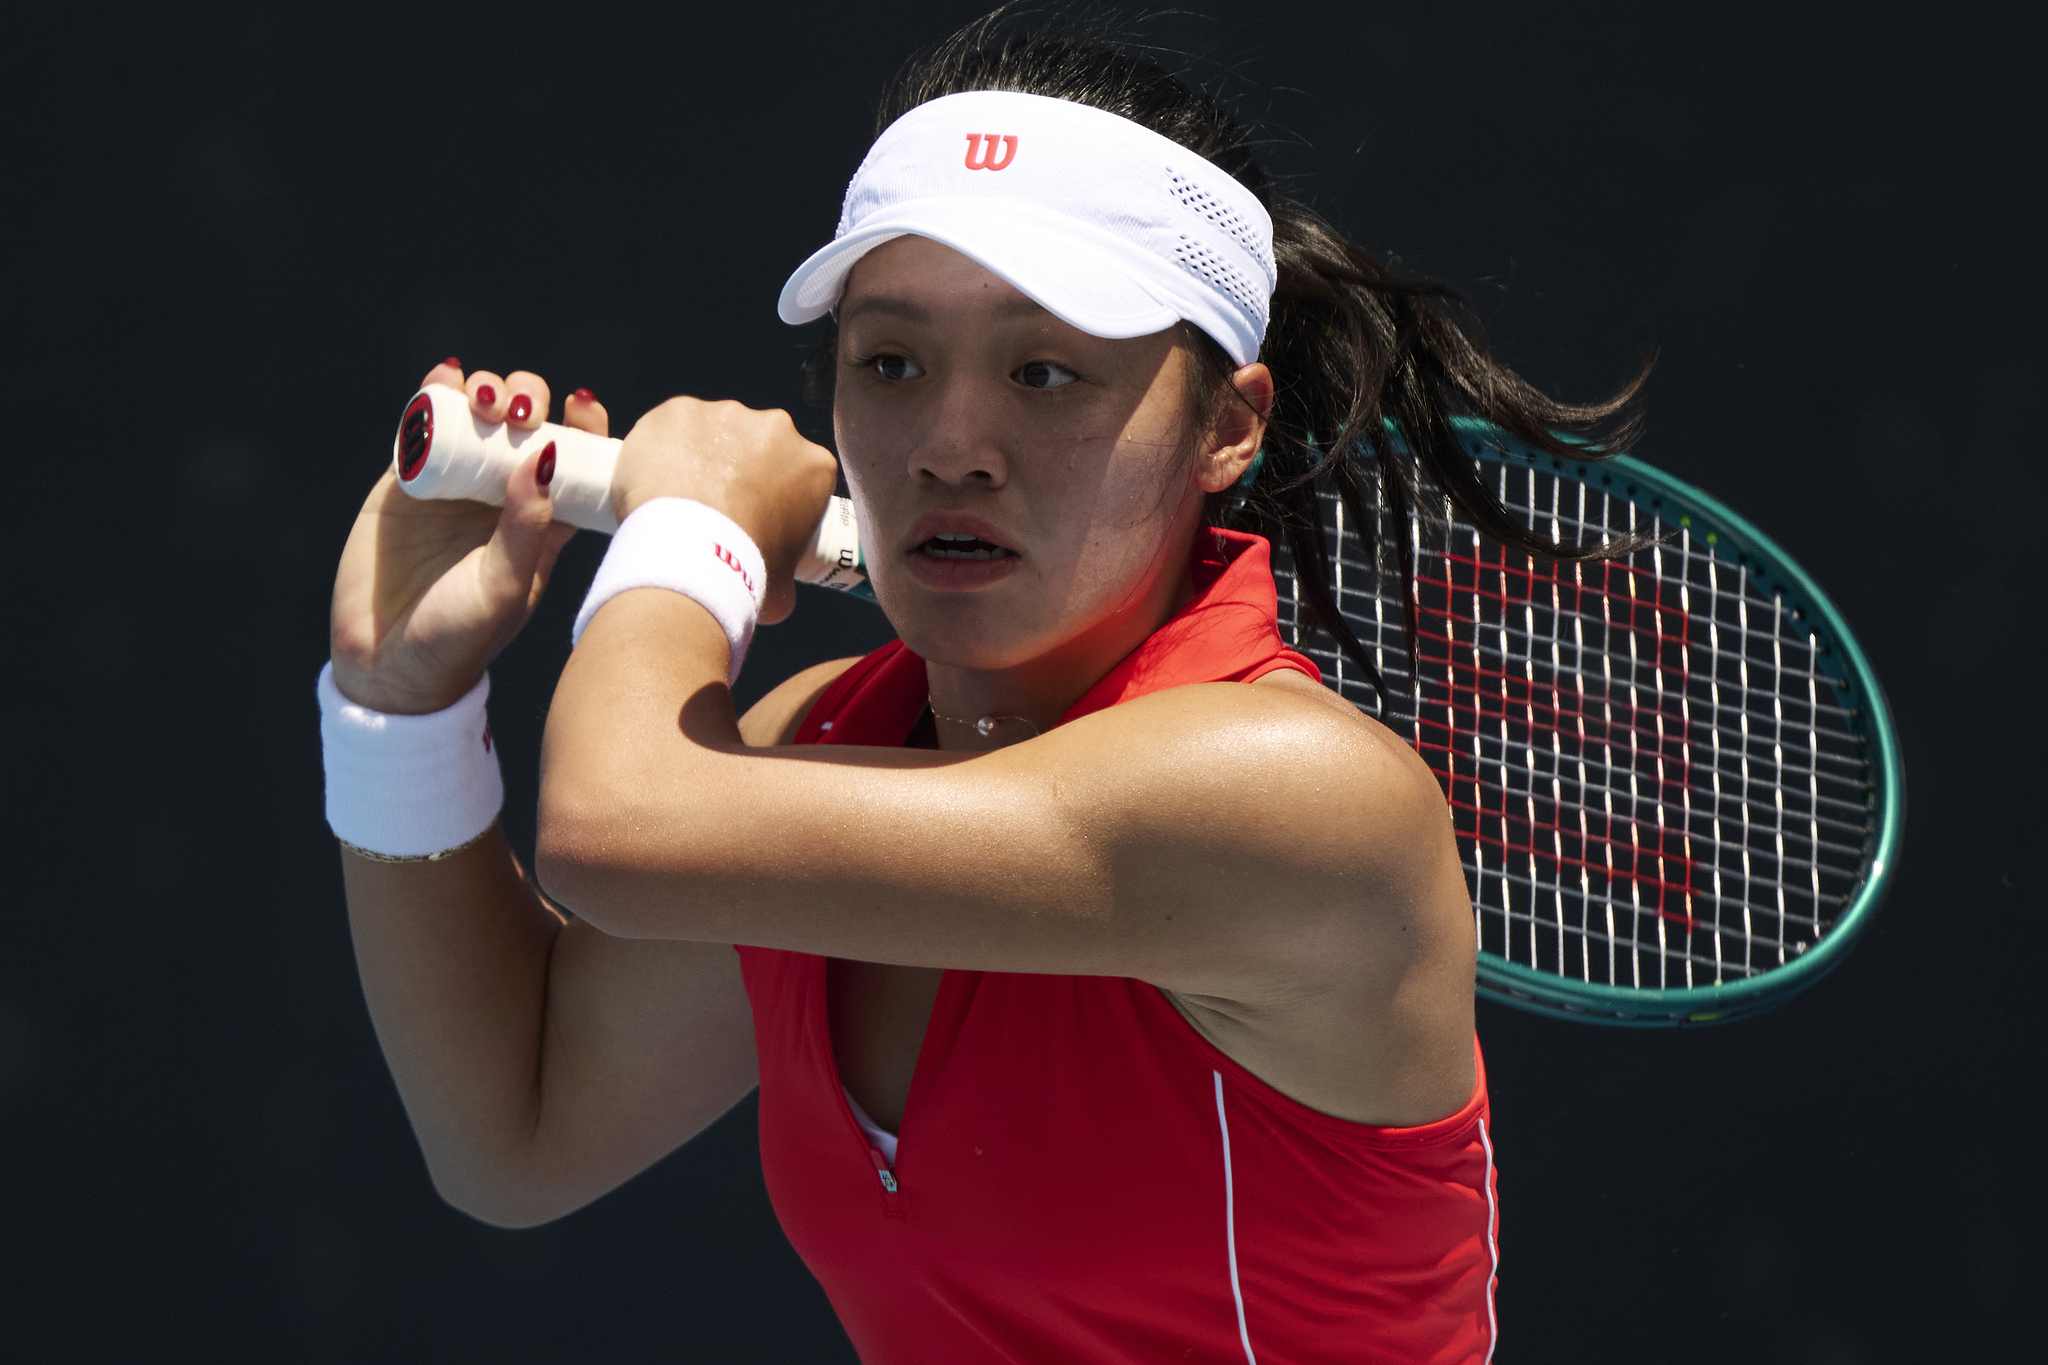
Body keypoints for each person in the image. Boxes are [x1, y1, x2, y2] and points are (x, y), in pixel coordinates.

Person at [320, 18, 1643, 1364]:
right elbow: (515, 1129)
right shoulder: (815, 743)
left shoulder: (1297, 799)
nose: (953, 445)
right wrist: (399, 699)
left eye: (1045, 371)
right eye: (890, 362)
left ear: (1228, 425)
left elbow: (614, 829)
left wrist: (695, 528)